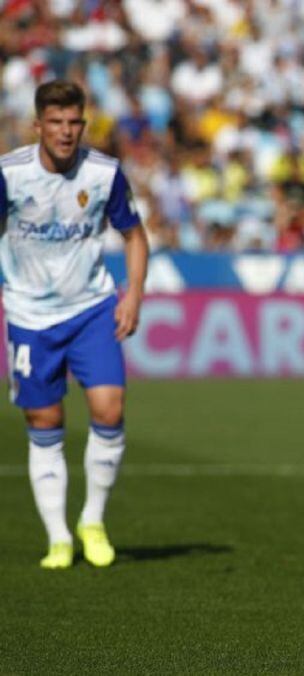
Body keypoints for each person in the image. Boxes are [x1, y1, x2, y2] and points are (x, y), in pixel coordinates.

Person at [1, 81, 148, 569]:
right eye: (56, 122)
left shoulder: (104, 174)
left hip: (91, 307)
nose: (66, 132)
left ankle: (92, 520)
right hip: (29, 315)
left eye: (74, 123)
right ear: (38, 125)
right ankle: (59, 536)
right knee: (45, 422)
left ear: (83, 125)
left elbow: (135, 237)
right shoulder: (10, 175)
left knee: (109, 409)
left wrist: (133, 296)